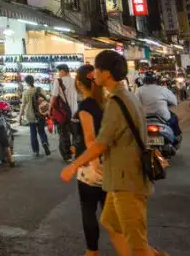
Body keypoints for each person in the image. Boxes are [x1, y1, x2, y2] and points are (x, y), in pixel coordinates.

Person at [60, 50, 165, 256]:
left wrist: (74, 165)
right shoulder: (125, 96)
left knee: (137, 243)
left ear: (106, 73)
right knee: (110, 222)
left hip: (127, 179)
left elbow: (100, 144)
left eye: (97, 69)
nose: (94, 74)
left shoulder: (116, 102)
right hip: (119, 178)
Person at [73, 64, 106, 256]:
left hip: (91, 165)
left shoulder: (85, 106)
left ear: (79, 83)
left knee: (89, 210)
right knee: (110, 212)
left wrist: (94, 164)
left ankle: (92, 251)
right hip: (108, 162)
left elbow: (90, 138)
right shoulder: (105, 102)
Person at [137, 72, 181, 138]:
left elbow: (135, 103)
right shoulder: (162, 89)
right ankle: (176, 137)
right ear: (156, 80)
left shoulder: (139, 90)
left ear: (144, 80)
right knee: (174, 118)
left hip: (145, 118)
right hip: (163, 117)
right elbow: (174, 102)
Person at [51, 63, 78, 162]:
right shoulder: (75, 81)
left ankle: (67, 156)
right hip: (75, 111)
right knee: (75, 134)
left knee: (63, 134)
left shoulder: (58, 81)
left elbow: (54, 97)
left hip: (63, 113)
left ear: (62, 71)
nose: (59, 73)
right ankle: (76, 153)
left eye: (59, 71)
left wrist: (50, 108)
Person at [20, 74, 50, 157]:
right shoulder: (40, 89)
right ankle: (44, 142)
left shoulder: (25, 92)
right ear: (33, 80)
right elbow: (46, 99)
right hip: (40, 113)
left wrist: (20, 117)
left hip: (30, 114)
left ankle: (36, 151)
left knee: (33, 133)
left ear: (26, 82)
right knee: (41, 131)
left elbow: (23, 105)